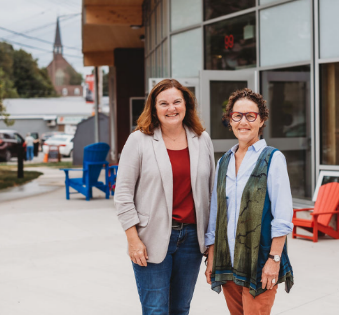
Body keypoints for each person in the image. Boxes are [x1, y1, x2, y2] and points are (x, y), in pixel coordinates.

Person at [114, 79, 215, 315]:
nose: (172, 108)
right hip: (151, 238)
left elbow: (212, 194)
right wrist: (132, 238)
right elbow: (123, 194)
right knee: (156, 310)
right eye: (164, 103)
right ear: (154, 108)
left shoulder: (202, 139)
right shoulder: (138, 140)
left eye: (177, 102)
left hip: (191, 240)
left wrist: (211, 243)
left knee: (181, 309)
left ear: (186, 105)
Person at [204, 88, 294, 315]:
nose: (243, 122)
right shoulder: (223, 160)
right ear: (230, 120)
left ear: (261, 120)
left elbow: (282, 217)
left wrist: (274, 259)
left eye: (250, 116)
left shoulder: (273, 158)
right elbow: (216, 212)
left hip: (260, 260)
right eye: (237, 116)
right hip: (228, 261)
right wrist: (212, 255)